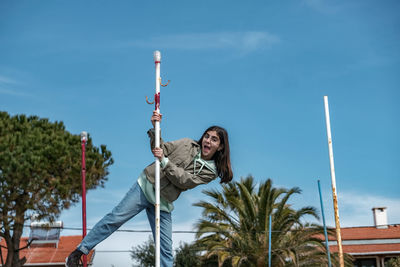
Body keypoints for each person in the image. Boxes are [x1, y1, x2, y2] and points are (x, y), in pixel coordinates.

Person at [66, 111, 233, 267]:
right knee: (115, 218)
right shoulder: (187, 144)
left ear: (220, 147)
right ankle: (79, 251)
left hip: (163, 202)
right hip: (146, 186)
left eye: (214, 139)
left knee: (165, 249)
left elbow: (185, 180)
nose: (208, 141)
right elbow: (162, 149)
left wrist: (165, 162)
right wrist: (155, 128)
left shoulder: (210, 172)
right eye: (207, 136)